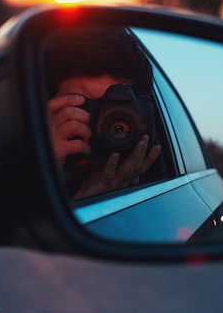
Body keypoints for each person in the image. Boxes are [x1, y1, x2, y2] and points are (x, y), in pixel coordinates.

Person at [44, 25, 162, 200]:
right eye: (82, 106)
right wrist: (45, 162)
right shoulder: (37, 156)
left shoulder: (153, 183)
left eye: (116, 112)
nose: (101, 123)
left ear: (145, 117)